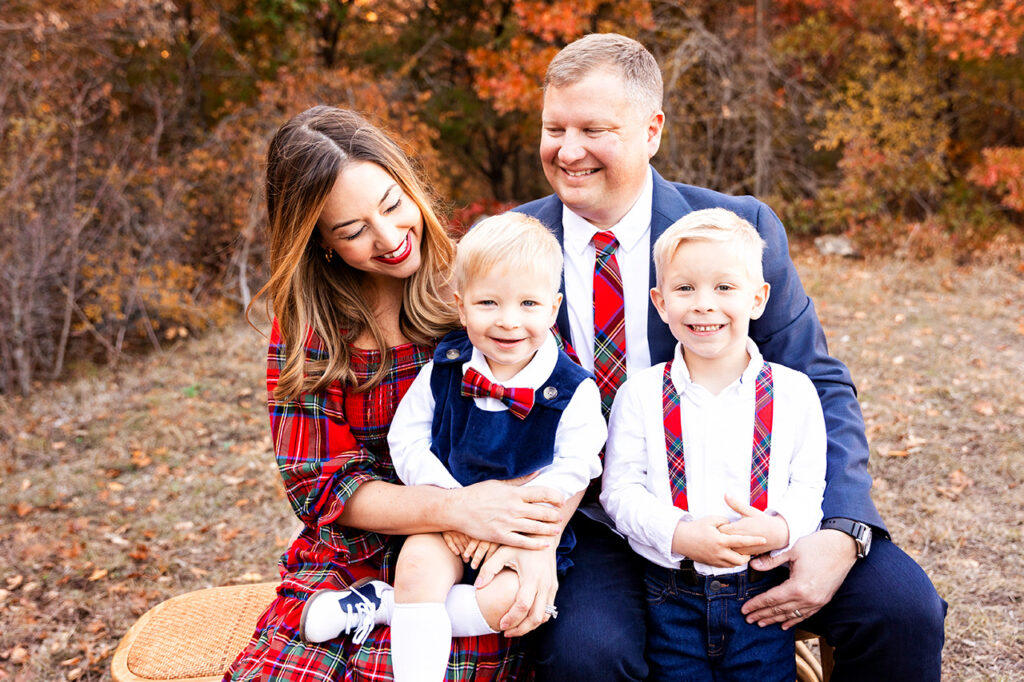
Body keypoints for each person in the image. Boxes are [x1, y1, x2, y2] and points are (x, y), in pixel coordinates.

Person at [505, 32, 946, 682]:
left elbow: (818, 381)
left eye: (594, 129)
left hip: (749, 509)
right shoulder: (513, 242)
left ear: (651, 129)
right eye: (554, 128)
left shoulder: (735, 228)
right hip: (593, 519)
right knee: (589, 657)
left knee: (901, 610)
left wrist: (840, 529)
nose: (568, 151)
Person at [224, 105, 570, 682]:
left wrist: (534, 541)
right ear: (321, 243)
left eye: (391, 205)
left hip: (467, 554)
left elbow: (556, 419)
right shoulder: (310, 329)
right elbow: (320, 484)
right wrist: (453, 506)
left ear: (409, 185)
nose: (388, 238)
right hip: (351, 557)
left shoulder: (479, 290)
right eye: (353, 230)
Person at [299, 212, 605, 681]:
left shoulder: (572, 389)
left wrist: (520, 511)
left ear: (553, 307)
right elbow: (407, 438)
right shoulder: (445, 368)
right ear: (461, 308)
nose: (508, 321)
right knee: (418, 567)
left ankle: (383, 607)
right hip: (441, 516)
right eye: (488, 302)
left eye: (527, 303)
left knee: (511, 602)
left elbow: (579, 462)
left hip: (519, 530)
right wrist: (452, 502)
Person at [601, 208, 826, 680]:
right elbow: (619, 491)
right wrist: (678, 534)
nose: (704, 304)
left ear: (758, 298)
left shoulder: (795, 393)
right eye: (685, 289)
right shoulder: (640, 394)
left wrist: (781, 530)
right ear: (660, 303)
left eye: (724, 287)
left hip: (762, 595)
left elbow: (809, 486)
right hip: (668, 594)